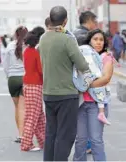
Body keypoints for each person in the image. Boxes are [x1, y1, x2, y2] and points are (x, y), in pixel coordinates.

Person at [39, 6, 93, 161]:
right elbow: (82, 64)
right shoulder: (67, 39)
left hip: (48, 93)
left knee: (51, 133)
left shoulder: (43, 38)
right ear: (65, 21)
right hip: (66, 94)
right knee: (66, 135)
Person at [73, 29, 114, 161]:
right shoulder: (82, 55)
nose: (98, 42)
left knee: (96, 140)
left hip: (96, 105)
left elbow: (105, 78)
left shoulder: (106, 57)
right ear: (89, 41)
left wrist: (84, 85)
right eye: (95, 39)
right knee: (80, 140)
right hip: (81, 103)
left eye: (101, 40)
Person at [73, 11, 98, 154]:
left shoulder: (73, 35)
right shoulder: (85, 36)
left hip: (76, 78)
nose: (95, 24)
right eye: (94, 21)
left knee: (81, 114)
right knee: (88, 112)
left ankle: (84, 144)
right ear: (89, 21)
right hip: (86, 78)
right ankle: (87, 144)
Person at [20, 27, 46, 152]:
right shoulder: (35, 53)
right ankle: (26, 144)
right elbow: (41, 70)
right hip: (35, 85)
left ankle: (44, 142)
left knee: (38, 115)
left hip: (27, 84)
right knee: (33, 116)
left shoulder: (26, 52)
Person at [3, 26, 28, 143]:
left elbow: (5, 65)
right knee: (23, 108)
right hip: (25, 77)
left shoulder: (9, 46)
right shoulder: (29, 45)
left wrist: (9, 75)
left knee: (17, 107)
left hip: (12, 79)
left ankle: (20, 133)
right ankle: (24, 134)